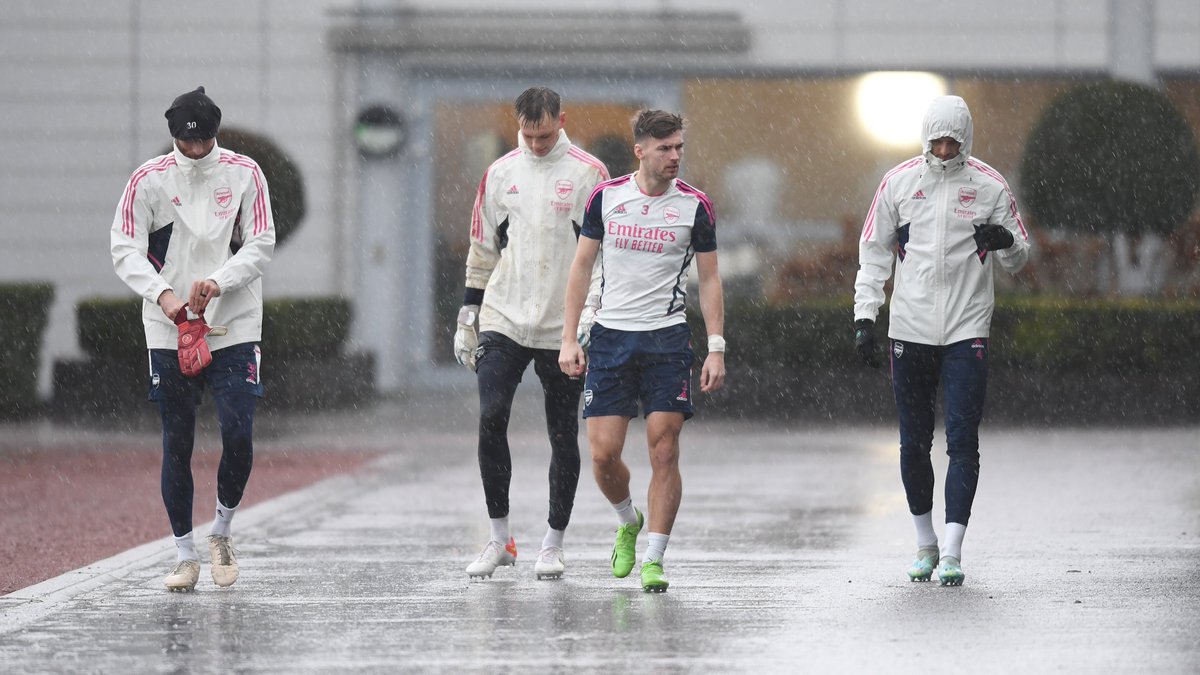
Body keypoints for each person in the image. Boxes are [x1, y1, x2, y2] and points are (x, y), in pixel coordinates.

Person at [853, 95, 1030, 586]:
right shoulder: (898, 183)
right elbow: (873, 253)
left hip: (967, 328)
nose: (946, 150)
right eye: (938, 142)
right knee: (913, 443)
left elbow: (1020, 255)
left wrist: (1006, 242)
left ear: (966, 140)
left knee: (962, 441)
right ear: (925, 139)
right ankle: (924, 543)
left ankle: (952, 549)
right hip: (909, 329)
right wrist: (865, 317)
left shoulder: (991, 186)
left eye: (954, 142)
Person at [110, 86, 275, 591]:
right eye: (188, 142)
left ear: (215, 133)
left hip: (234, 323)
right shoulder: (148, 180)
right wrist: (163, 295)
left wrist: (220, 280)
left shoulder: (245, 173)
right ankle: (184, 552)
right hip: (170, 325)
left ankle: (221, 530)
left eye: (204, 140)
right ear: (173, 137)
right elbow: (124, 248)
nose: (197, 149)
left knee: (238, 433)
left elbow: (262, 241)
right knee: (176, 440)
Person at [559, 109, 725, 593]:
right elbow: (581, 268)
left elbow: (710, 278)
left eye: (679, 147)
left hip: (666, 341)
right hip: (611, 339)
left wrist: (716, 347)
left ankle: (654, 556)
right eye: (664, 148)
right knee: (604, 456)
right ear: (640, 151)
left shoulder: (696, 207)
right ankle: (627, 520)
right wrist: (570, 338)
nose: (675, 156)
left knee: (664, 450)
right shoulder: (606, 199)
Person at [454, 87, 609, 580]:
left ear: (562, 120)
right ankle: (500, 538)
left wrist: (590, 315)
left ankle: (553, 542)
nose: (537, 144)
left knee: (562, 432)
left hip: (561, 325)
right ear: (518, 124)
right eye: (528, 134)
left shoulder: (590, 173)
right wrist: (468, 315)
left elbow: (603, 254)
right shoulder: (500, 174)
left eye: (545, 135)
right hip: (504, 315)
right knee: (491, 416)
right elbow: (482, 247)